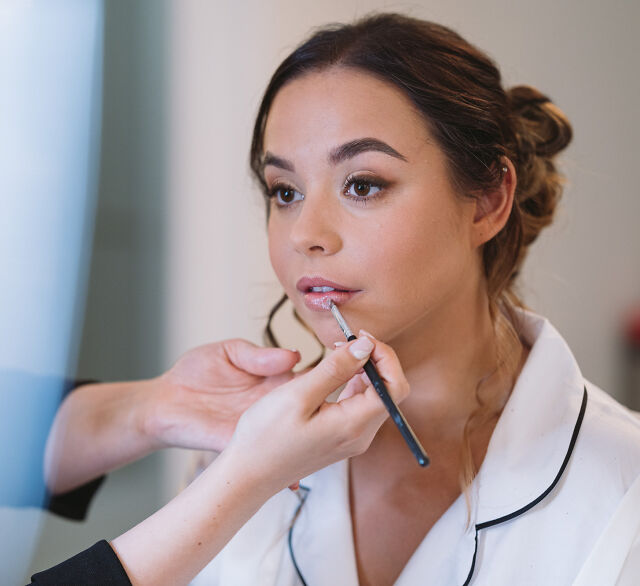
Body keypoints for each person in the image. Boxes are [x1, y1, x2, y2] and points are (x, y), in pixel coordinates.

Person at [41, 12, 640, 586]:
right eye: (284, 191)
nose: (305, 234)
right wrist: (224, 459)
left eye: (363, 184)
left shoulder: (623, 486)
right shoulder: (240, 456)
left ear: (486, 201)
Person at [32, 334, 410, 584]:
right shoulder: (220, 473)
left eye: (363, 203)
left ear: (474, 214)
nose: (303, 236)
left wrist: (163, 403)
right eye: (284, 205)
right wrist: (249, 476)